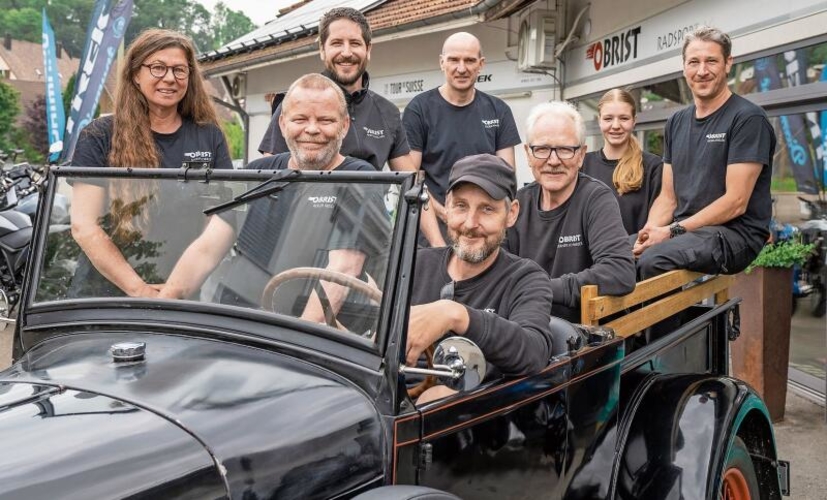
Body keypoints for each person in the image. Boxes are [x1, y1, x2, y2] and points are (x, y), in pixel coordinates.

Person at [160, 73, 389, 328]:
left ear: (344, 125)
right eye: (300, 119)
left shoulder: (359, 180)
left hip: (314, 338)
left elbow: (341, 271)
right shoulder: (256, 174)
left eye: (325, 120)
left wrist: (299, 336)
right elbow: (205, 250)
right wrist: (163, 308)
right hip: (239, 323)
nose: (312, 130)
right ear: (282, 124)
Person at [258, 7, 443, 246]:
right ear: (322, 50)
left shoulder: (386, 112)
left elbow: (414, 187)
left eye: (355, 43)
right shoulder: (295, 103)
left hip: (364, 238)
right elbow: (267, 184)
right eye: (336, 43)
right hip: (297, 241)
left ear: (368, 50)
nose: (346, 52)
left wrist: (439, 247)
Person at [69, 28, 232, 298]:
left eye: (180, 70)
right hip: (101, 298)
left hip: (180, 294)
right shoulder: (98, 135)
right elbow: (84, 226)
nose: (169, 78)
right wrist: (140, 291)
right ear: (135, 74)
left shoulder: (209, 136)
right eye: (158, 68)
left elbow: (221, 218)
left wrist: (177, 288)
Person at [406, 154, 554, 404]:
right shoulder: (416, 265)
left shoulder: (526, 279)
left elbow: (534, 351)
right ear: (447, 206)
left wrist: (455, 313)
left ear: (511, 213)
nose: (470, 223)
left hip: (475, 425)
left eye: (487, 209)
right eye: (461, 206)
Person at [633, 26, 775, 279]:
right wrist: (649, 232)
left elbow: (736, 202)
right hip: (686, 232)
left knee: (653, 260)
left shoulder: (748, 118)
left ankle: (664, 320)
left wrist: (671, 231)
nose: (702, 71)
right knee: (616, 255)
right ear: (684, 67)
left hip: (734, 234)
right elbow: (668, 198)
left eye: (711, 61)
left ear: (728, 63)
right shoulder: (676, 121)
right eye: (694, 62)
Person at [505, 101, 636, 323]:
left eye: (565, 149)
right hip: (525, 326)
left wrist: (540, 288)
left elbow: (619, 272)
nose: (553, 161)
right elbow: (498, 269)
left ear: (581, 155)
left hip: (583, 337)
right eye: (542, 149)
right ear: (528, 154)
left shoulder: (596, 199)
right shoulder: (519, 202)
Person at [402, 32, 521, 241]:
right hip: (433, 230)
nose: (461, 68)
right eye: (454, 60)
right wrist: (443, 213)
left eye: (469, 60)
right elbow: (412, 178)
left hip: (482, 231)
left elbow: (506, 178)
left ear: (481, 64)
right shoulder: (419, 109)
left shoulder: (498, 111)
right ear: (442, 63)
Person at [582, 89, 663, 235]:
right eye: (608, 119)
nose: (615, 126)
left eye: (624, 118)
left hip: (635, 255)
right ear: (599, 121)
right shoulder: (582, 164)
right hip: (589, 257)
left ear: (634, 121)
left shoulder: (653, 167)